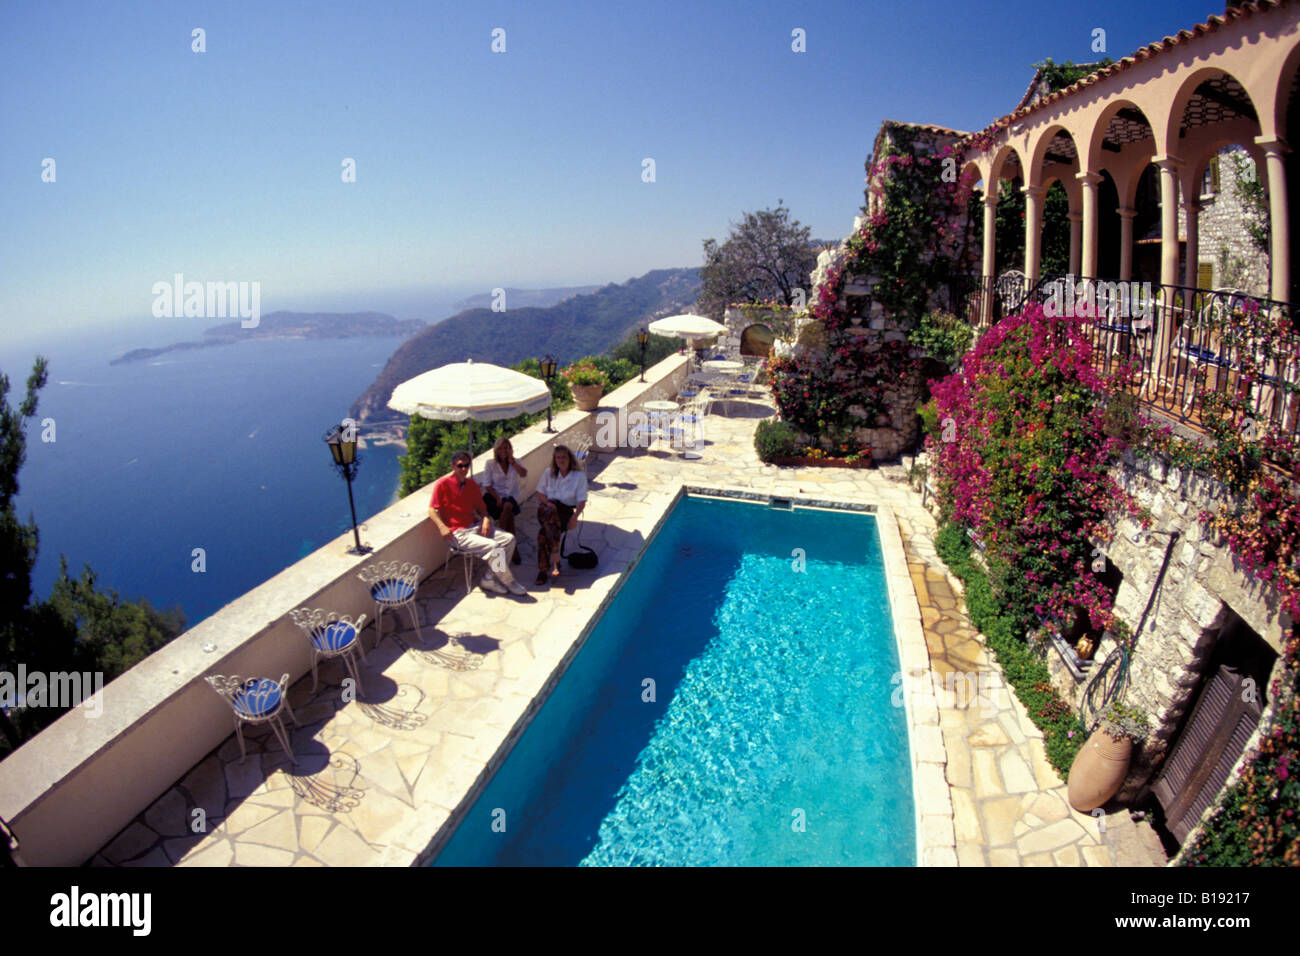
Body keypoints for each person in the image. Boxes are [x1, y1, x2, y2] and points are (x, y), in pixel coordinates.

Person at [428, 450, 526, 595]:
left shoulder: (471, 485)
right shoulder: (442, 484)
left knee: (509, 539)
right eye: (460, 466)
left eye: (467, 465)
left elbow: (482, 509)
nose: (464, 469)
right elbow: (431, 509)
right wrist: (442, 526)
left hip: (474, 526)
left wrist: (486, 519)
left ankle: (489, 578)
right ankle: (509, 582)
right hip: (457, 534)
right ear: (453, 466)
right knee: (494, 547)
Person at [534, 444, 587, 586]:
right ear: (554, 459)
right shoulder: (548, 473)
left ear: (569, 458)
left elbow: (582, 500)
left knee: (543, 534)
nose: (561, 460)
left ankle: (543, 571)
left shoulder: (578, 476)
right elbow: (540, 492)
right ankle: (555, 558)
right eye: (558, 458)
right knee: (548, 511)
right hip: (547, 508)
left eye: (563, 457)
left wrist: (574, 518)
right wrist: (548, 503)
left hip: (564, 512)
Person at [481, 437, 527, 564]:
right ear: (496, 450)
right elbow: (487, 485)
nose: (503, 450)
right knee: (509, 514)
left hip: (510, 498)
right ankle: (513, 548)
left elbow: (523, 473)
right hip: (493, 498)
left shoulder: (516, 462)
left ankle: (500, 541)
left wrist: (513, 462)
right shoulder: (490, 463)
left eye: (506, 447)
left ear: (510, 449)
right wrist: (497, 497)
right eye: (500, 448)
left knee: (508, 506)